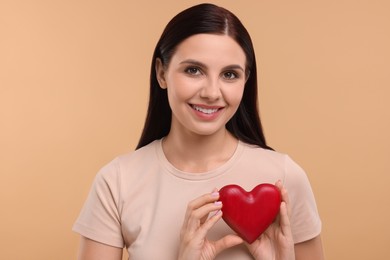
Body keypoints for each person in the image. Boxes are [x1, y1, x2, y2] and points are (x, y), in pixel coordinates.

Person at [73, 3, 324, 260]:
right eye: (194, 70)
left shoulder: (284, 178)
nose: (212, 93)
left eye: (229, 74)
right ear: (162, 73)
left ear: (245, 81)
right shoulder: (117, 183)